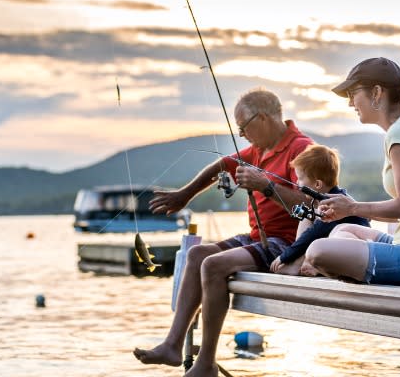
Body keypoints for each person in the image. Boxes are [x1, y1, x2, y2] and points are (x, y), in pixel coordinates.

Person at [133, 88, 313, 377]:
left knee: (213, 265)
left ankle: (206, 363)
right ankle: (172, 345)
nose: (241, 134)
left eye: (244, 127)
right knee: (197, 254)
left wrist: (265, 185)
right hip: (258, 237)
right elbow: (221, 165)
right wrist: (185, 195)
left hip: (288, 244)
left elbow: (312, 206)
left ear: (263, 118)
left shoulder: (301, 149)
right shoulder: (259, 149)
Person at [302, 57, 400, 286]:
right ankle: (347, 268)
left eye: (352, 94)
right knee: (344, 228)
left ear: (376, 92)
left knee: (317, 250)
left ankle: (338, 268)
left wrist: (353, 207)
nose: (350, 103)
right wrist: (348, 208)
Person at [269, 144, 370, 275]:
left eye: (300, 178)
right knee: (307, 217)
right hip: (337, 247)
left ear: (317, 184)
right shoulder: (327, 199)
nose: (297, 183)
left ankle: (307, 265)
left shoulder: (333, 205)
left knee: (316, 229)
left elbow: (314, 233)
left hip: (353, 251)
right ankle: (302, 263)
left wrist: (286, 256)